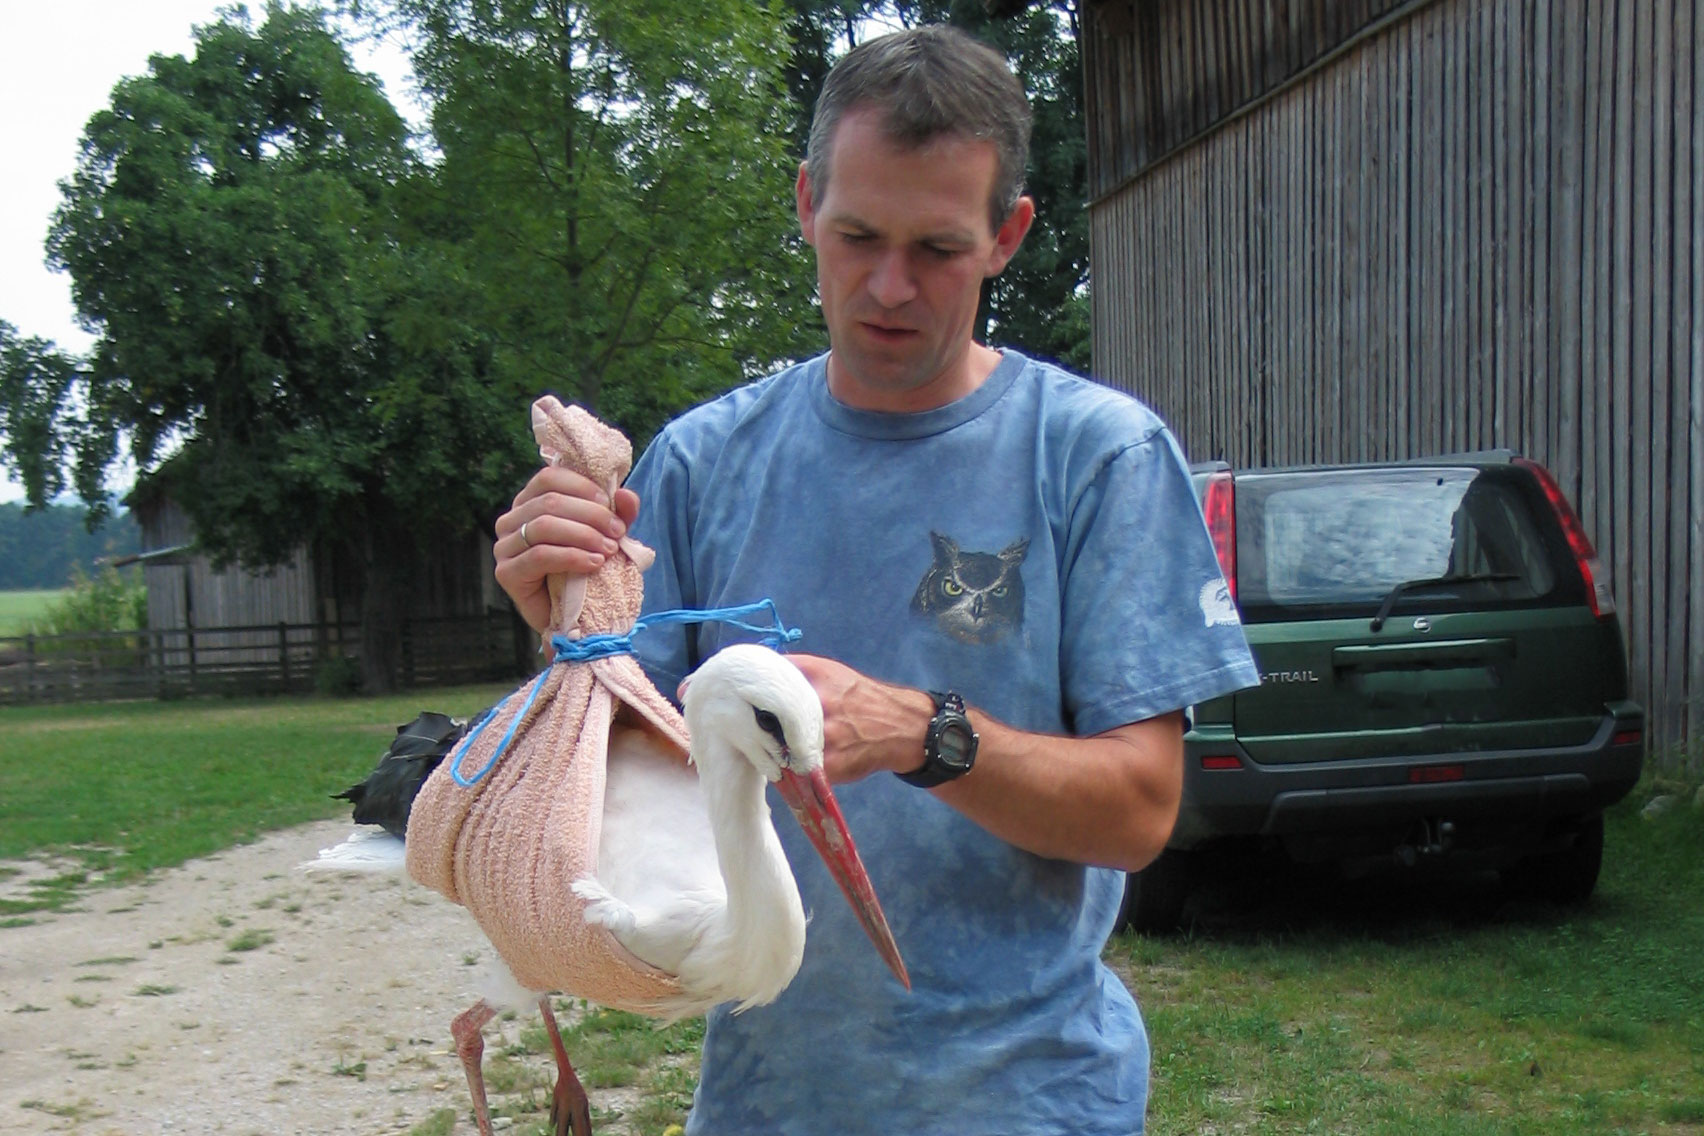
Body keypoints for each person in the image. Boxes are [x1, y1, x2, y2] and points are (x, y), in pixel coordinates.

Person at [493, 25, 1258, 1135]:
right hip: (765, 1105)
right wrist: (565, 627)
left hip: (1034, 1102)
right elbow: (618, 778)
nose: (889, 285)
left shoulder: (1099, 457)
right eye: (856, 234)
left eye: (938, 248)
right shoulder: (704, 465)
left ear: (1009, 235)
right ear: (806, 204)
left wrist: (924, 730)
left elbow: (1141, 810)